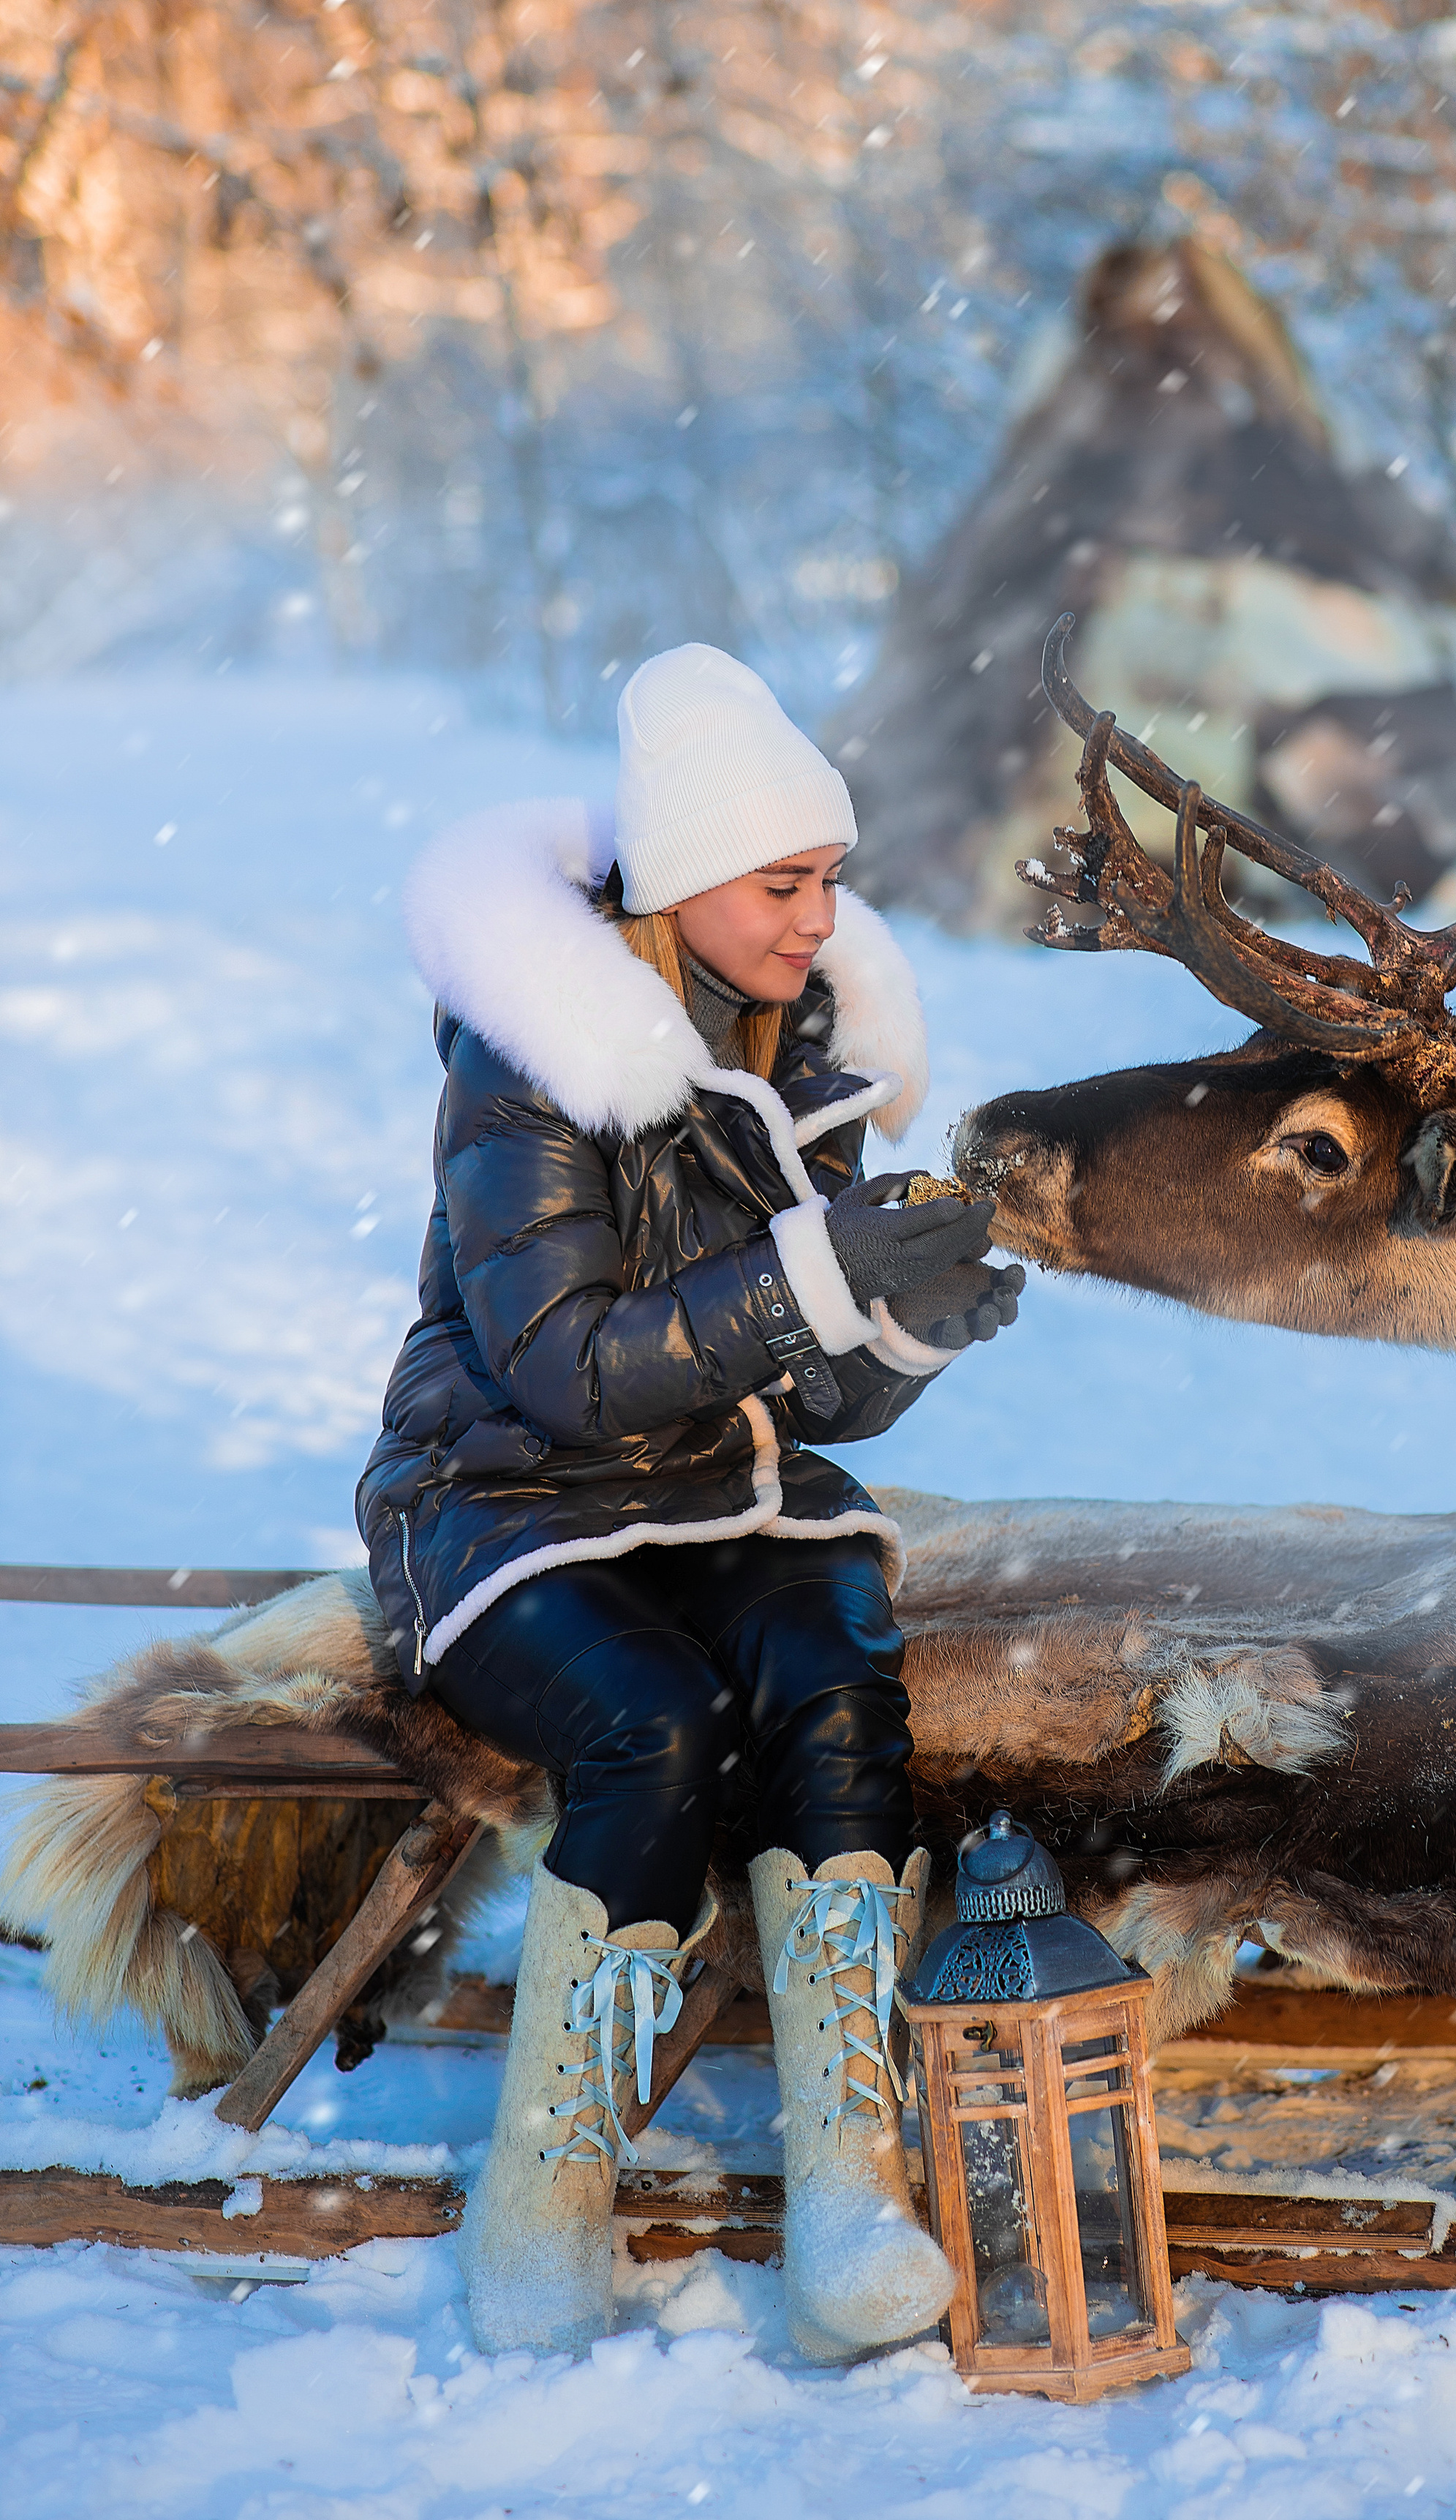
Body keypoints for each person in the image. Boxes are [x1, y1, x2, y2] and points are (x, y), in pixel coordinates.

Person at [356, 644, 1022, 2363]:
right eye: (784, 881)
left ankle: (845, 2189)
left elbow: (811, 1386)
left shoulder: (805, 1068)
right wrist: (812, 1273)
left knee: (831, 1671)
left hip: (719, 1494)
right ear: (682, 885)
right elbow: (561, 1367)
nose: (818, 919)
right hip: (499, 1502)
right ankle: (544, 2200)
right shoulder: (528, 1067)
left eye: (830, 882)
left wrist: (906, 1325)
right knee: (650, 1718)